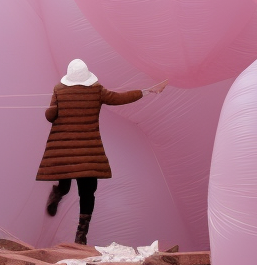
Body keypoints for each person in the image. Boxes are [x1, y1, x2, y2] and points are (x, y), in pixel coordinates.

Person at [36, 59, 167, 245]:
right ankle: (81, 235)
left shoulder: (59, 89)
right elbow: (118, 99)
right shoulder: (96, 90)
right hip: (89, 150)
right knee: (87, 193)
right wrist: (146, 91)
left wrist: (55, 108)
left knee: (65, 181)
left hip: (63, 149)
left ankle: (57, 194)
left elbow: (50, 116)